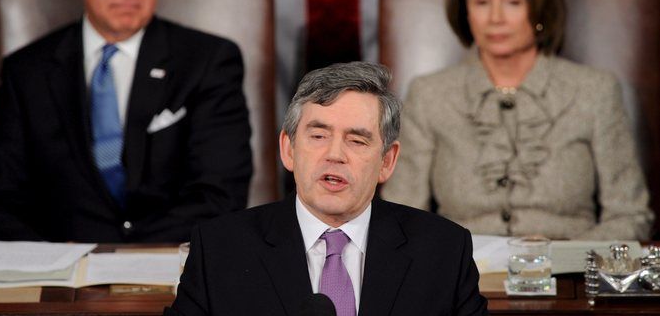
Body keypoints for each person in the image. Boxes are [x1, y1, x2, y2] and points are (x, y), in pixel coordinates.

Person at [0, 0, 252, 243]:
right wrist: (55, 264)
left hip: (169, 268)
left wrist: (128, 260)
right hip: (60, 279)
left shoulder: (209, 62)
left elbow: (220, 196)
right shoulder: (26, 72)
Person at [381, 0, 654, 240]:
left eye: (513, 2)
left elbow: (631, 216)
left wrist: (559, 260)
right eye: (482, 2)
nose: (496, 18)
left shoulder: (595, 91)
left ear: (539, 8)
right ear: (466, 11)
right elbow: (401, 215)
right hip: (462, 278)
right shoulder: (429, 94)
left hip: (569, 279)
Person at [167, 62, 488, 316]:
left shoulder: (444, 251)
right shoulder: (220, 250)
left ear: (387, 161)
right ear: (288, 149)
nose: (335, 154)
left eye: (357, 140)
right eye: (318, 136)